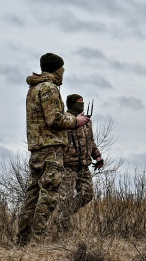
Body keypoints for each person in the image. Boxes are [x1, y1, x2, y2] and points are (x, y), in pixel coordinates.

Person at [15, 53, 89, 245]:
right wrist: (76, 121)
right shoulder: (49, 88)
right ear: (56, 69)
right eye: (62, 69)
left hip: (38, 148)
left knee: (32, 194)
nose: (63, 72)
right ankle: (37, 241)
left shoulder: (34, 88)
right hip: (50, 149)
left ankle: (22, 240)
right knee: (48, 195)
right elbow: (54, 119)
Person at [54, 93, 104, 231]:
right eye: (79, 102)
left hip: (83, 166)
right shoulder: (65, 120)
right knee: (64, 198)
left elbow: (91, 142)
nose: (81, 104)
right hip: (67, 166)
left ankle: (63, 216)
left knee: (88, 194)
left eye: (83, 102)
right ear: (71, 104)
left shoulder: (87, 121)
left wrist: (98, 157)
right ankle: (61, 230)